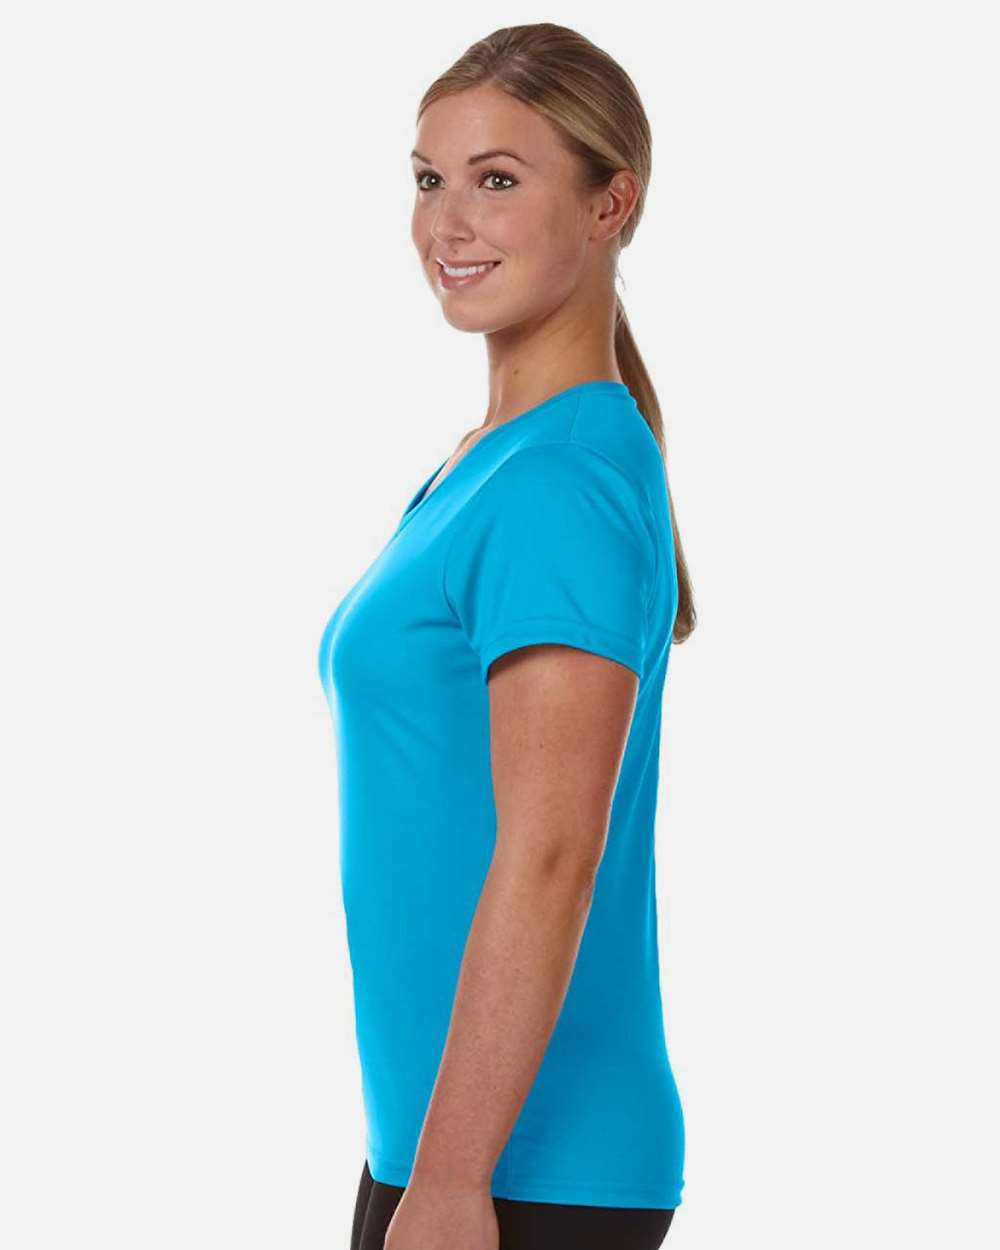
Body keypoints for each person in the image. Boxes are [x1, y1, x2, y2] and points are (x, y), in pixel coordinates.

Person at [318, 22, 697, 1250]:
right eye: (429, 178)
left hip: (517, 1171)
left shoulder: (558, 481)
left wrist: (448, 1182)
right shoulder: (494, 463)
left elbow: (549, 853)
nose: (448, 222)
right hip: (440, 1145)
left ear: (609, 204)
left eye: (496, 178)